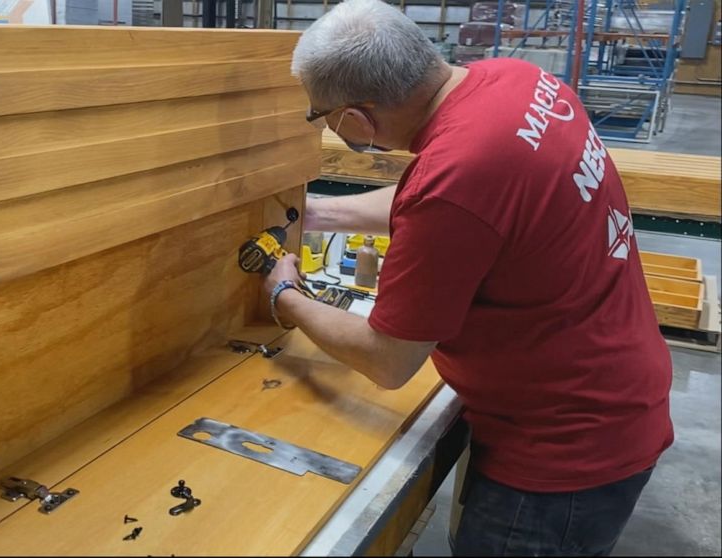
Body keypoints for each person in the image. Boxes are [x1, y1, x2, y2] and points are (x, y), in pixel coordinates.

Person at [264, 0, 674, 555]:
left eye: (323, 116)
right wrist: (319, 215)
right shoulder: (517, 80)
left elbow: (389, 359)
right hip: (612, 389)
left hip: (562, 449)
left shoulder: (455, 175)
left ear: (356, 118)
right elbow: (452, 207)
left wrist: (285, 296)